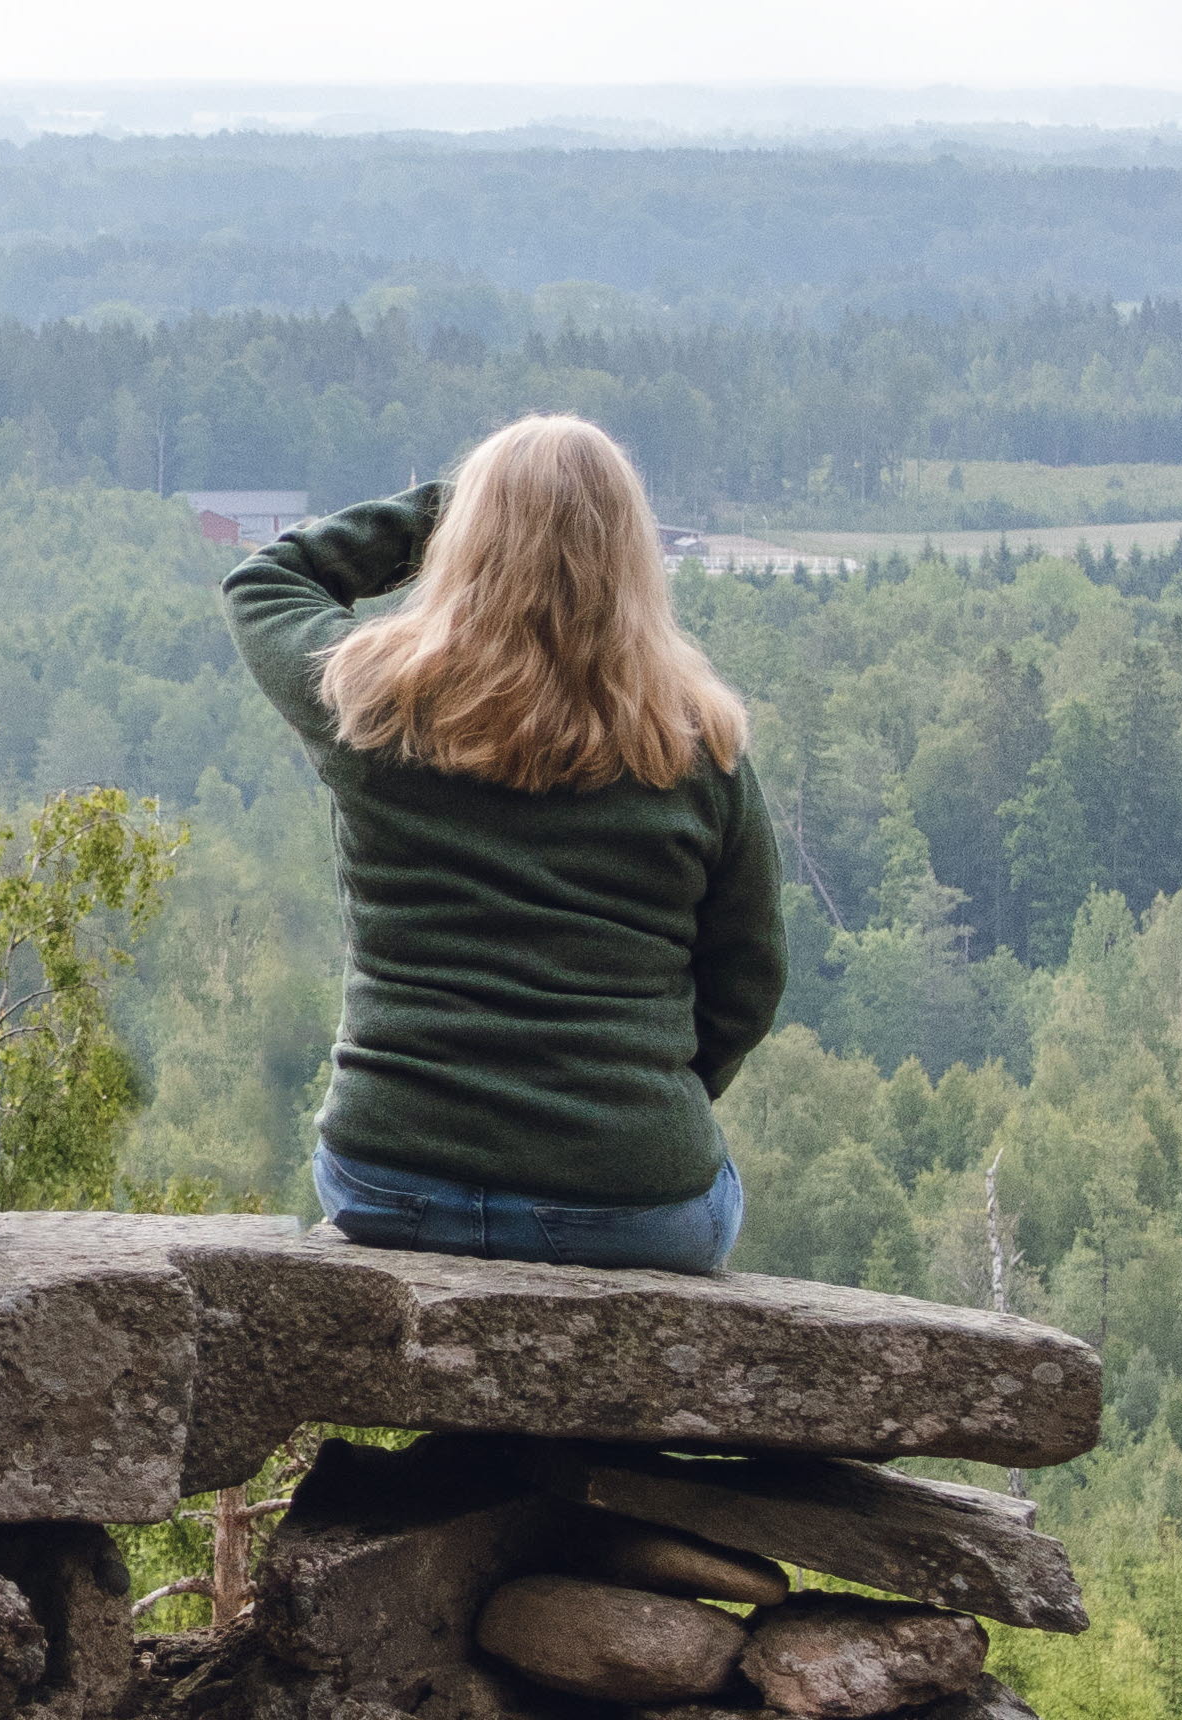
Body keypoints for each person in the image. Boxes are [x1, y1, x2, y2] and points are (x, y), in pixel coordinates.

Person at [223, 414, 786, 1271]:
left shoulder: (374, 706)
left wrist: (446, 511)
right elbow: (749, 978)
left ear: (464, 539)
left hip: (390, 1180)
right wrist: (644, 1097)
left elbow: (265, 579)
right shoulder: (696, 747)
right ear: (632, 558)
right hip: (630, 1203)